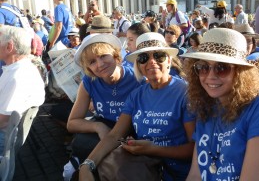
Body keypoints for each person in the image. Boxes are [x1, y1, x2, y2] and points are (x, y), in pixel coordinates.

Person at [181, 28, 259, 180]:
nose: (210, 76)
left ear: (241, 72)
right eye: (203, 67)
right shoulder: (207, 107)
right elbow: (196, 176)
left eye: (221, 68)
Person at [79, 32, 195, 181]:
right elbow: (115, 135)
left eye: (158, 55)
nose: (151, 62)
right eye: (144, 58)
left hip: (179, 173)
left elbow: (195, 148)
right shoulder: (136, 95)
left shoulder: (185, 93)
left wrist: (155, 149)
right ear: (138, 65)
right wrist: (87, 165)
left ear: (169, 60)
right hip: (144, 169)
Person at [64, 33, 141, 180]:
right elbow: (72, 123)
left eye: (104, 56)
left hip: (131, 137)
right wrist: (98, 127)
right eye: (92, 62)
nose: (100, 64)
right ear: (88, 68)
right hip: (103, 134)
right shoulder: (89, 82)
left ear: (116, 55)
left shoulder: (137, 80)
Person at [0, 26, 45, 156]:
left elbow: (3, 120)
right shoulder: (20, 67)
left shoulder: (17, 76)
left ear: (9, 47)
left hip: (4, 137)